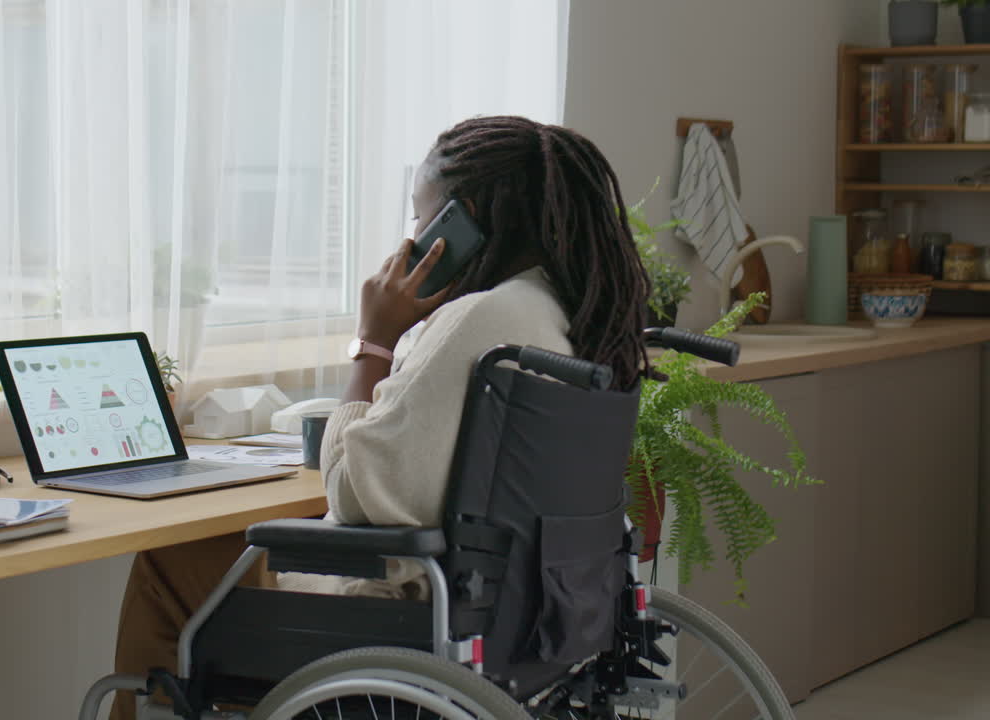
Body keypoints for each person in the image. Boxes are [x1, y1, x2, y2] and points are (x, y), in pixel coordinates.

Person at [109, 115, 650, 718]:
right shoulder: (570, 313)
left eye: (420, 219)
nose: (413, 238)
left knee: (167, 558)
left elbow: (351, 497)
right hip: (529, 621)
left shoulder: (486, 320)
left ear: (459, 223)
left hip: (405, 615)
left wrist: (375, 342)